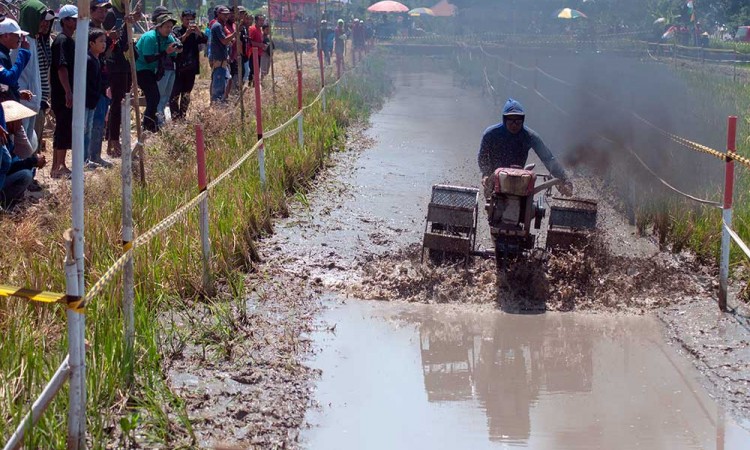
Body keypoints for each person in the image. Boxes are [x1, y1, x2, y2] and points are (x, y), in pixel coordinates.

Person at [478, 99, 572, 198]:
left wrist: (564, 180)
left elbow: (548, 158)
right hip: (494, 178)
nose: (514, 125)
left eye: (518, 121)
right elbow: (482, 157)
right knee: (490, 199)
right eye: (510, 121)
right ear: (504, 120)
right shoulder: (490, 134)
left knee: (526, 202)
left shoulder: (530, 136)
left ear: (523, 120)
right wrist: (486, 174)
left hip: (519, 180)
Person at [135, 13, 180, 132]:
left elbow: (174, 54)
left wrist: (177, 50)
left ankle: (149, 125)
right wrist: (166, 52)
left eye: (170, 27)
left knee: (154, 98)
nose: (169, 29)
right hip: (141, 69)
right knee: (154, 97)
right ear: (159, 27)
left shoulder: (169, 38)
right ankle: (148, 126)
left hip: (153, 70)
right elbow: (148, 58)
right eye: (166, 27)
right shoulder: (150, 37)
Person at [50, 4, 77, 178]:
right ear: (65, 21)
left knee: (64, 127)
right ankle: (58, 166)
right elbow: (61, 68)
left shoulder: (69, 40)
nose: (76, 22)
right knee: (63, 127)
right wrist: (68, 91)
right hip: (62, 93)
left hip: (66, 92)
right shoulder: (62, 41)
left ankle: (59, 164)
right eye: (73, 19)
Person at [170, 9, 207, 120]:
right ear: (182, 19)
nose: (189, 22)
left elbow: (205, 40)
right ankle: (175, 118)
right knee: (175, 94)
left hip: (191, 68)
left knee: (186, 94)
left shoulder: (195, 33)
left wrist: (198, 31)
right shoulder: (177, 30)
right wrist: (186, 34)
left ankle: (183, 116)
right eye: (187, 19)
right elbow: (176, 42)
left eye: (191, 20)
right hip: (178, 68)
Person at [84, 28, 106, 167]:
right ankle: (83, 160)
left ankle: (87, 159)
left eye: (105, 41)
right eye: (101, 41)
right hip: (87, 102)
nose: (104, 44)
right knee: (85, 130)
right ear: (91, 43)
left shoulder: (97, 59)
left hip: (93, 102)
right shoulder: (88, 60)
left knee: (89, 130)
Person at [208, 5, 234, 103]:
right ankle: (216, 106)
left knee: (227, 81)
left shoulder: (221, 25)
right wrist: (234, 34)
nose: (226, 17)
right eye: (224, 15)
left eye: (227, 15)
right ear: (218, 14)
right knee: (218, 88)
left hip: (223, 61)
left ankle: (221, 102)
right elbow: (224, 41)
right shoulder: (217, 26)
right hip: (218, 61)